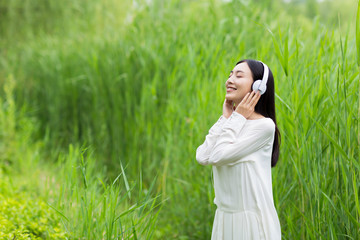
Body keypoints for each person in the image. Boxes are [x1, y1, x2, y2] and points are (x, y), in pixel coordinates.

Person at [196, 59, 282, 240]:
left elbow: (218, 156)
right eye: (230, 74)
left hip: (251, 223)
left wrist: (235, 118)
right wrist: (227, 119)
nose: (230, 80)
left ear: (258, 86)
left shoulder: (264, 127)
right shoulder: (233, 123)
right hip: (224, 219)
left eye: (239, 75)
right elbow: (203, 156)